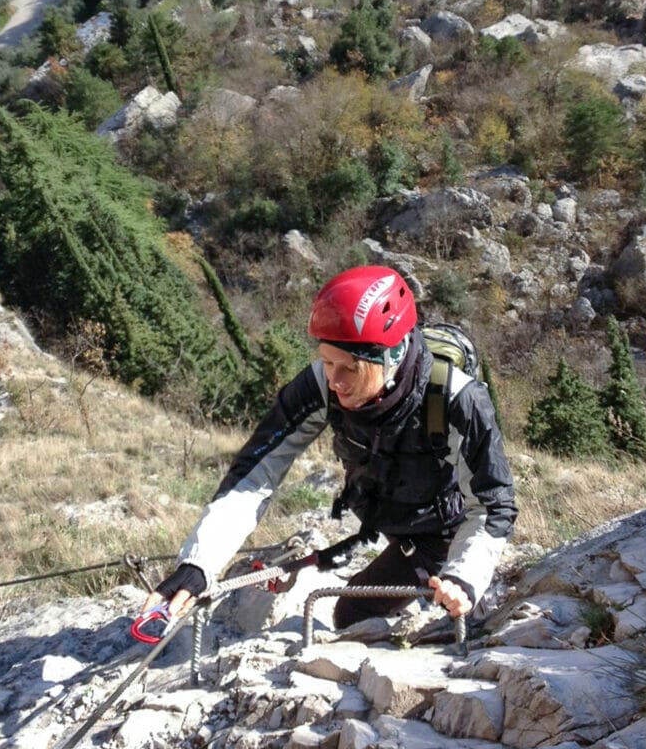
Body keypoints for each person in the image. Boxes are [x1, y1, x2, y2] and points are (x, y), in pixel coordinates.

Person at [143, 266, 517, 632]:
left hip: (445, 532)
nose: (334, 381)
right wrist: (198, 564)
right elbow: (255, 473)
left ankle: (480, 602)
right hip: (389, 519)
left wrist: (463, 577)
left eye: (349, 368)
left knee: (355, 615)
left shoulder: (456, 398)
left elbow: (492, 503)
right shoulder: (322, 383)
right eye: (326, 361)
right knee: (355, 615)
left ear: (394, 353)